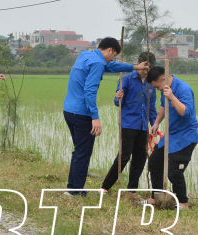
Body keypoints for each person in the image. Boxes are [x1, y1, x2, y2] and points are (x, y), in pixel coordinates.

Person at [62, 37, 149, 196]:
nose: (112, 59)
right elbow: (89, 91)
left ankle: (72, 187)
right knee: (83, 152)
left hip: (69, 110)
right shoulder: (97, 63)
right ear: (109, 50)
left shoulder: (85, 55)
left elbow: (112, 66)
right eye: (113, 55)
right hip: (82, 113)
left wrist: (135, 67)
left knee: (79, 151)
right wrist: (95, 117)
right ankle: (75, 191)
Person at [139, 66, 198, 210]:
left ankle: (183, 203)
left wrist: (172, 96)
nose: (158, 89)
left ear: (163, 79)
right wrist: (156, 123)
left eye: (157, 86)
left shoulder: (183, 89)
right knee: (154, 162)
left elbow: (184, 112)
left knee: (174, 171)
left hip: (186, 136)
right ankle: (156, 197)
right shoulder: (164, 89)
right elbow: (163, 106)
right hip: (171, 135)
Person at [100, 52, 158, 192]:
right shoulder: (126, 79)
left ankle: (131, 190)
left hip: (143, 126)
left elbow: (152, 107)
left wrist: (154, 124)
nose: (145, 72)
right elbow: (117, 102)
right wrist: (118, 97)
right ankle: (105, 187)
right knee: (124, 156)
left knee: (140, 158)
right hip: (128, 124)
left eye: (148, 69)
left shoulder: (151, 84)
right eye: (143, 68)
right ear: (138, 65)